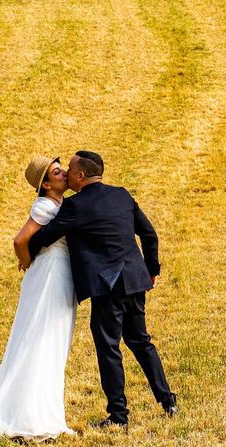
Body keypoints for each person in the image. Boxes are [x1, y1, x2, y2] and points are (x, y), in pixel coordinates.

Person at [28, 150, 177, 430]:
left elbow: (44, 237)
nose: (68, 173)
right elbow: (149, 234)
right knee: (140, 341)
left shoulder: (74, 206)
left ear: (81, 176)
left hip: (107, 287)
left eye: (70, 169)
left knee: (109, 348)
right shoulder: (121, 195)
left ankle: (118, 417)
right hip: (135, 279)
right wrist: (152, 269)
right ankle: (168, 400)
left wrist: (26, 257)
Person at [0, 156, 76, 441]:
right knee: (42, 338)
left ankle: (42, 413)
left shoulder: (60, 204)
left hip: (60, 272)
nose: (65, 172)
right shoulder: (45, 205)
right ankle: (35, 419)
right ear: (46, 184)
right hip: (49, 274)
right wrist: (29, 262)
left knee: (53, 341)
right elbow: (20, 240)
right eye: (57, 172)